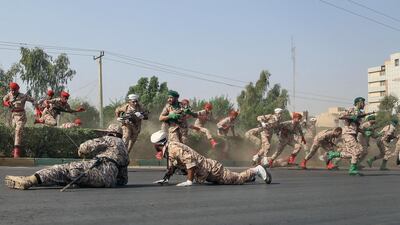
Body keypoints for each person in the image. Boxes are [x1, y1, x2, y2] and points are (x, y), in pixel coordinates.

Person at [4, 124, 130, 190]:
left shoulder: (109, 139)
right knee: (70, 176)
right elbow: (123, 179)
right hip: (108, 181)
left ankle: (30, 180)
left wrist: (81, 151)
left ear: (110, 132)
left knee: (63, 169)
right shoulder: (124, 147)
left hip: (100, 167)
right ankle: (38, 181)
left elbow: (86, 146)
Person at [150, 130, 271, 186]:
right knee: (234, 177)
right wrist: (166, 179)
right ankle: (250, 176)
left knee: (237, 180)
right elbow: (173, 165)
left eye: (154, 146)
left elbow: (190, 162)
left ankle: (257, 170)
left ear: (158, 144)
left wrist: (189, 181)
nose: (154, 148)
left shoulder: (173, 148)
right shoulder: (170, 148)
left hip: (212, 170)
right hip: (207, 172)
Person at [326, 97, 370, 176]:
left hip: (353, 134)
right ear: (358, 103)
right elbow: (341, 115)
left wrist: (363, 132)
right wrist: (351, 117)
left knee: (358, 150)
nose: (364, 104)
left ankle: (334, 154)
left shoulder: (360, 113)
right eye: (363, 102)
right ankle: (352, 169)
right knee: (356, 151)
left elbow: (356, 127)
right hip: (348, 134)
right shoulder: (351, 110)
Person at [2, 82, 37, 157]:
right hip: (13, 116)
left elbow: (33, 100)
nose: (13, 92)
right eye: (12, 90)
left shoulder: (23, 96)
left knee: (18, 130)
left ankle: (16, 152)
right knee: (12, 132)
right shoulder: (9, 95)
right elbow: (4, 101)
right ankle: (12, 150)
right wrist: (7, 103)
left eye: (14, 90)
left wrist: (34, 103)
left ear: (18, 90)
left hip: (21, 117)